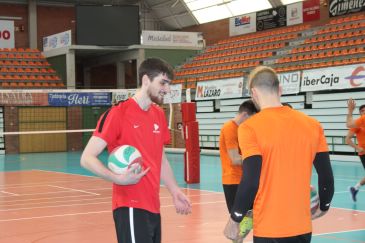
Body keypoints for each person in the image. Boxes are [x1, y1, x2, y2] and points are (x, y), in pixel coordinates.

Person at [81, 58, 191, 243]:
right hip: (129, 206)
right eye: (163, 83)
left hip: (153, 206)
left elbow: (161, 159)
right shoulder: (118, 113)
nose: (167, 89)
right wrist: (117, 178)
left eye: (169, 84)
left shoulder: (158, 115)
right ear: (146, 80)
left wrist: (175, 191)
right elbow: (87, 158)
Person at [223, 66, 334, 243]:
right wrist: (325, 204)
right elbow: (326, 175)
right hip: (302, 227)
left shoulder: (249, 128)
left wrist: (235, 218)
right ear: (280, 90)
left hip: (270, 228)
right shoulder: (313, 125)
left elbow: (251, 181)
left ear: (253, 93)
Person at [219, 100, 258, 242]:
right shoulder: (230, 128)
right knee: (239, 220)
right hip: (233, 180)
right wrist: (256, 159)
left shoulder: (243, 130)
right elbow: (235, 158)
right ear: (245, 115)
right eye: (252, 118)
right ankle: (236, 238)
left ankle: (237, 238)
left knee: (252, 215)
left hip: (244, 179)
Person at [346, 99, 365, 202]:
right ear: (360, 113)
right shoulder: (358, 124)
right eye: (362, 110)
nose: (364, 111)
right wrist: (358, 148)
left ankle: (354, 188)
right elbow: (347, 140)